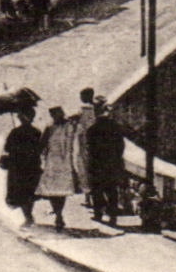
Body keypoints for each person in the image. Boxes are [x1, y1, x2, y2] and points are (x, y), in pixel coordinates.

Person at [37, 105, 80, 230]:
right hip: (53, 162)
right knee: (53, 191)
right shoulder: (50, 128)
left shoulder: (70, 126)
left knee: (62, 191)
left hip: (65, 161)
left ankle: (59, 213)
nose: (60, 115)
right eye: (57, 114)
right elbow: (42, 144)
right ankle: (59, 214)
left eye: (61, 112)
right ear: (53, 116)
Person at [0, 106, 44, 225]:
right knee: (30, 191)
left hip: (18, 166)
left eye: (20, 116)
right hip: (32, 166)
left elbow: (7, 147)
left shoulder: (15, 132)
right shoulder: (37, 132)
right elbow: (40, 148)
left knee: (20, 191)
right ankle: (29, 215)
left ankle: (28, 217)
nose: (18, 117)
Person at [84, 97, 126, 226]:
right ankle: (113, 216)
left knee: (97, 189)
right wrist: (117, 158)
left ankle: (98, 214)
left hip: (97, 164)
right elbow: (121, 146)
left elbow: (89, 149)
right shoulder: (116, 127)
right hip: (112, 163)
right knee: (112, 190)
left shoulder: (92, 130)